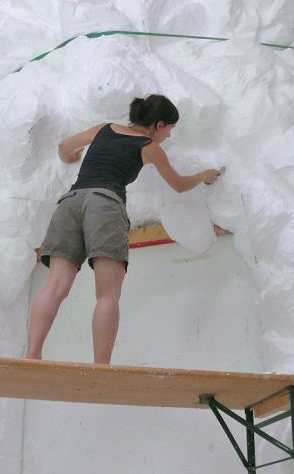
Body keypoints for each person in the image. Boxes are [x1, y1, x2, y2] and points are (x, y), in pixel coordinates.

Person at [25, 94, 221, 364]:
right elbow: (178, 185)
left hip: (70, 203)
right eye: (170, 129)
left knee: (56, 285)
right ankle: (101, 369)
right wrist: (201, 176)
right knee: (107, 294)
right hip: (105, 205)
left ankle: (32, 355)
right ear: (159, 124)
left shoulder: (104, 129)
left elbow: (63, 146)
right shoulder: (149, 147)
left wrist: (69, 158)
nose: (168, 136)